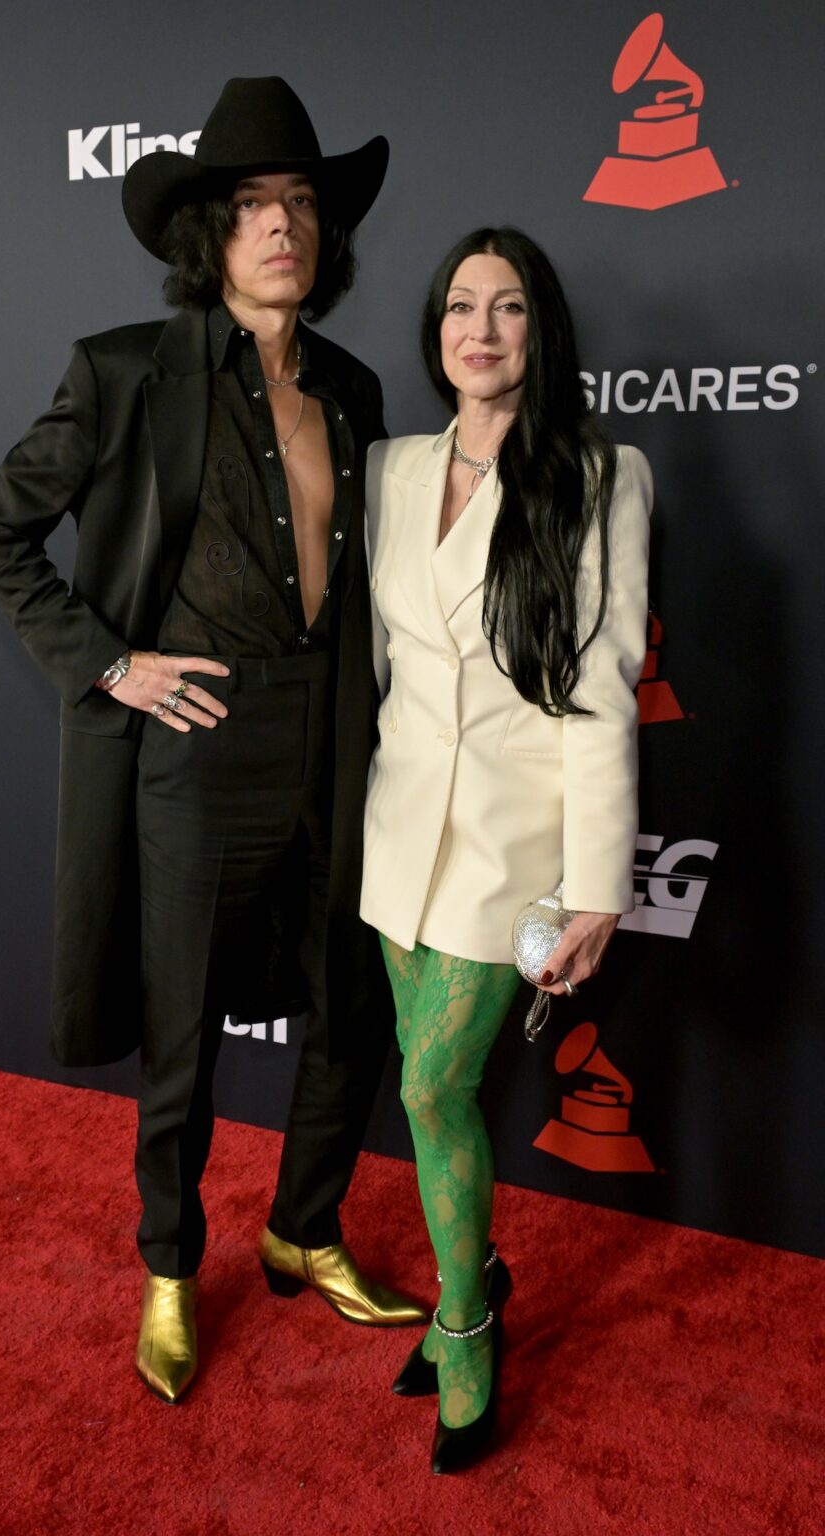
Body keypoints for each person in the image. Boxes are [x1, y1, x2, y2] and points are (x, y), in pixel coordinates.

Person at [0, 76, 426, 1407]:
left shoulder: (353, 384)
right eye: (251, 206)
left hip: (336, 741)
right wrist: (112, 663)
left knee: (348, 1010)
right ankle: (171, 1267)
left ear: (327, 238)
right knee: (185, 1034)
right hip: (194, 748)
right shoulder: (121, 372)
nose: (283, 226)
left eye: (302, 206)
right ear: (208, 236)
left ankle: (307, 1226)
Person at [361, 227, 652, 1472]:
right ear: (435, 329)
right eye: (460, 306)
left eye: (510, 308)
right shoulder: (387, 466)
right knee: (430, 1099)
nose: (481, 329)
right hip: (394, 834)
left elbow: (605, 690)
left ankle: (468, 1325)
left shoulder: (598, 473)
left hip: (514, 853)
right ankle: (465, 1280)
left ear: (541, 331)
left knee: (435, 1090)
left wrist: (593, 887)